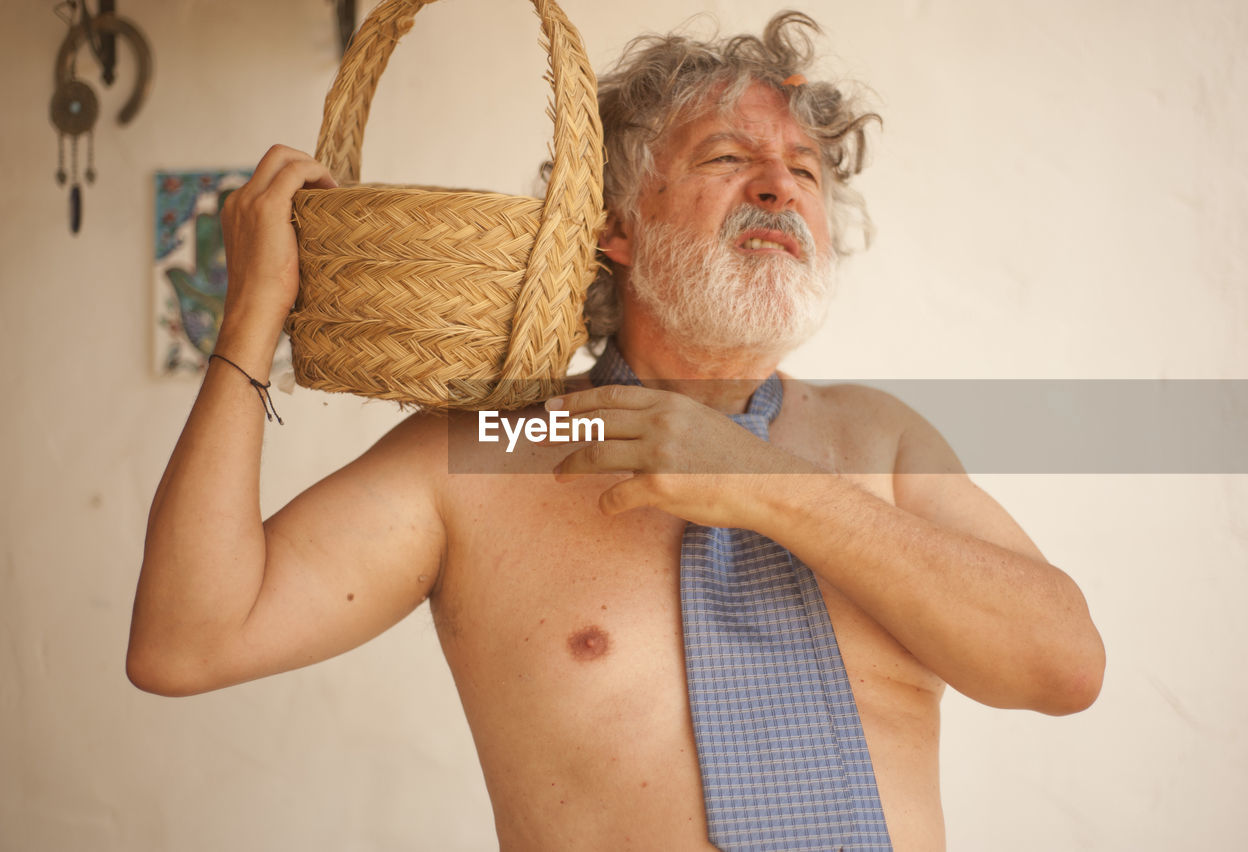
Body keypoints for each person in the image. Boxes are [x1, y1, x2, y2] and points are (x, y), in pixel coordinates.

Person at [128, 11, 1105, 851]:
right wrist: (252, 315)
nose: (777, 187)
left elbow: (1063, 668)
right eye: (728, 158)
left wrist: (761, 485)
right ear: (616, 228)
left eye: (802, 170)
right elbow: (185, 642)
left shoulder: (880, 440)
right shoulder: (481, 457)